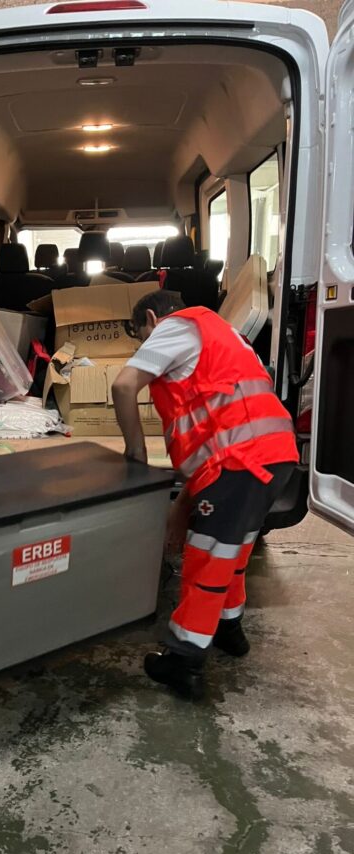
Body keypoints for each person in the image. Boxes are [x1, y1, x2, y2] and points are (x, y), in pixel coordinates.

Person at [111, 290, 299, 699]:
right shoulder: (224, 334)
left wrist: (136, 455)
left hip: (240, 460)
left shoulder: (175, 326)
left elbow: (123, 386)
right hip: (275, 455)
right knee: (233, 550)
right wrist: (183, 504)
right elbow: (213, 424)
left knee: (207, 559)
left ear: (149, 318)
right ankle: (230, 630)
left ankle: (184, 661)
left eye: (140, 335)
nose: (144, 345)